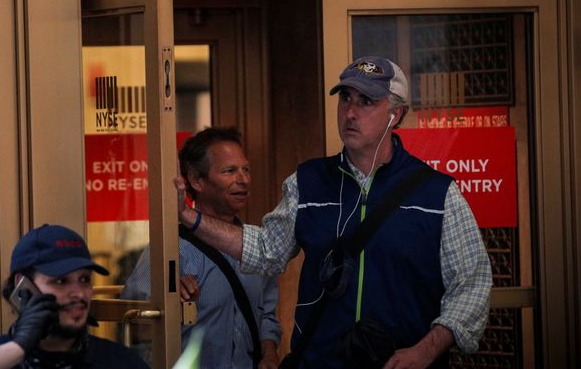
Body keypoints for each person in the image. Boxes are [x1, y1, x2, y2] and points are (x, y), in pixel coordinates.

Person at [176, 57, 492, 368]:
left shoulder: (437, 194)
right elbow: (265, 249)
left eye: (366, 101)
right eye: (345, 99)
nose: (350, 113)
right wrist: (189, 217)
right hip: (321, 361)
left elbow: (472, 284)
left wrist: (426, 351)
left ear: (395, 114)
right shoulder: (308, 182)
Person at [122, 127, 282, 368]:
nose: (244, 180)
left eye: (245, 169)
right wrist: (171, 304)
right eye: (229, 171)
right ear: (197, 180)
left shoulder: (257, 246)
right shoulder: (172, 249)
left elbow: (266, 315)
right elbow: (133, 325)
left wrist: (269, 354)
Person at [0, 224, 148, 368]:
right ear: (23, 288)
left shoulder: (119, 361)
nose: (78, 293)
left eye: (84, 279)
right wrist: (18, 348)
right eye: (60, 281)